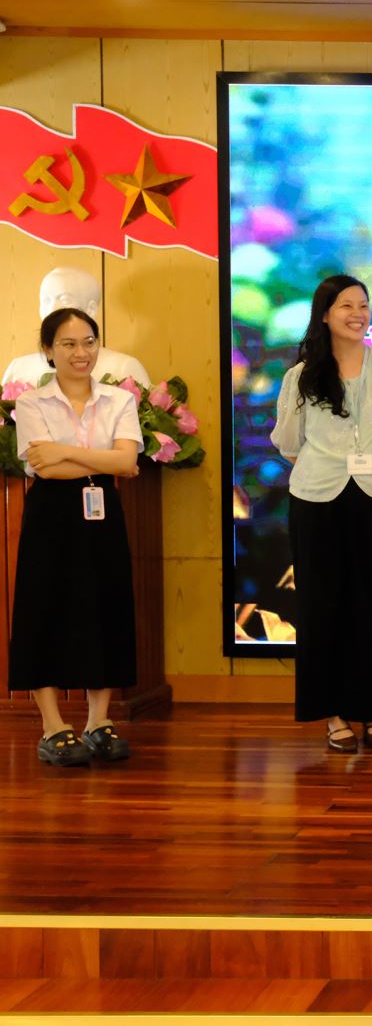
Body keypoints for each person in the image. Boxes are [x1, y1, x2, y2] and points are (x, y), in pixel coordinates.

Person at [271, 274, 372, 753]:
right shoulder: (302, 375)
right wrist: (332, 466)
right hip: (317, 499)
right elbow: (289, 443)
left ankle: (371, 712)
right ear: (324, 315)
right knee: (320, 605)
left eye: (363, 305)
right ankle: (333, 714)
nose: (358, 314)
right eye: (346, 305)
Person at [9, 308, 142, 766]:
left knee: (104, 605)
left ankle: (98, 721)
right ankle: (53, 727)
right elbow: (43, 469)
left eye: (88, 341)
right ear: (48, 350)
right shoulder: (32, 404)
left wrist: (64, 452)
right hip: (50, 514)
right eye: (68, 344)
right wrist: (101, 458)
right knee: (44, 608)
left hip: (103, 513)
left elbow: (126, 463)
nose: (80, 352)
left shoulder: (120, 400)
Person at [3, 268, 150, 387]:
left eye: (64, 300)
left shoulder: (123, 368)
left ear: (91, 309)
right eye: (46, 301)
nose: (52, 309)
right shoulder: (19, 369)